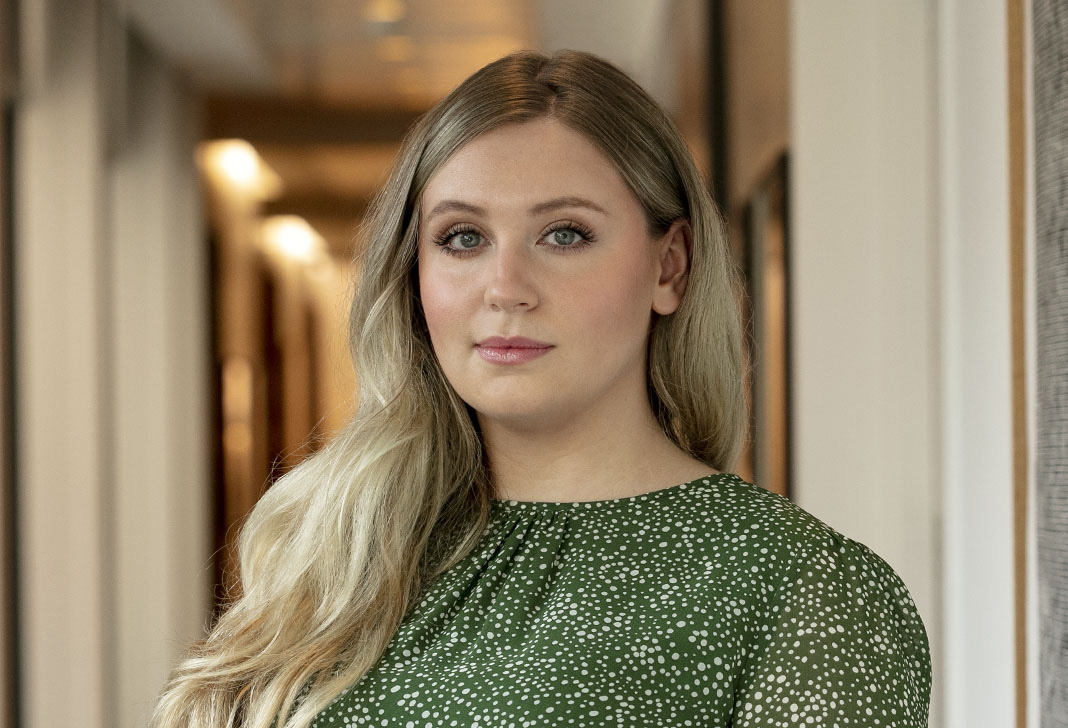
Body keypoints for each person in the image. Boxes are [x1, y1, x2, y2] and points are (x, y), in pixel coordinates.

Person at [151, 49, 932, 727]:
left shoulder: (806, 587)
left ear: (670, 267)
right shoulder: (342, 545)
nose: (505, 287)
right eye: (462, 237)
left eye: (565, 234)